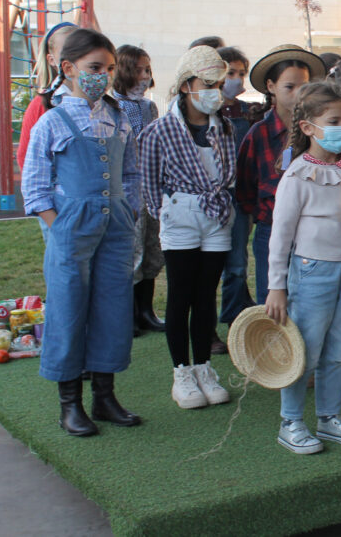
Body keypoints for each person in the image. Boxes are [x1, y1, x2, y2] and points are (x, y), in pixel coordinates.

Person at [21, 27, 141, 437]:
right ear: (68, 68)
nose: (103, 75)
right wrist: (61, 227)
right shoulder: (51, 121)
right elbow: (34, 187)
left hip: (116, 226)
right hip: (71, 228)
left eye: (108, 68)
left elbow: (131, 171)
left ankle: (104, 397)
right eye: (94, 68)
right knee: (69, 309)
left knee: (112, 306)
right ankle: (69, 403)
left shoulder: (117, 117)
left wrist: (130, 211)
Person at [266, 82, 341, 453]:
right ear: (308, 127)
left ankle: (329, 417)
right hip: (312, 272)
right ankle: (291, 422)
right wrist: (276, 286)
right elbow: (279, 238)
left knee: (337, 349)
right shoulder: (298, 176)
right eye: (334, 120)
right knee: (306, 349)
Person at [139, 46, 236, 410]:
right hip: (179, 213)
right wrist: (163, 210)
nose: (215, 90)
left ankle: (204, 367)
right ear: (185, 86)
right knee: (180, 294)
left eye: (219, 83)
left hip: (216, 215)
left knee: (206, 293)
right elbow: (147, 180)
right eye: (206, 83)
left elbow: (228, 169)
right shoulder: (159, 130)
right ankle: (181, 373)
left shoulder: (223, 127)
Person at [237, 45, 326, 306]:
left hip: (313, 228)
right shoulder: (259, 134)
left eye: (305, 86)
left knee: (309, 298)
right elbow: (245, 187)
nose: (299, 94)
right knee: (274, 299)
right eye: (290, 87)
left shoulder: (319, 131)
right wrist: (265, 213)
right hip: (271, 228)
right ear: (271, 86)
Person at [112, 45, 164, 334]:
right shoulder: (113, 105)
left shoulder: (149, 106)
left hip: (152, 186)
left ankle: (146, 311)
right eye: (140, 70)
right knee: (132, 250)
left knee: (152, 248)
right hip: (128, 188)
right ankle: (127, 314)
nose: (145, 76)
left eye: (148, 70)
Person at [216, 46, 258, 332]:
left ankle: (236, 313)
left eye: (241, 73)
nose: (236, 79)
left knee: (238, 260)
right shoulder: (207, 111)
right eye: (230, 73)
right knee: (218, 262)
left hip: (242, 195)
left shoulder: (247, 112)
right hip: (216, 195)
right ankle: (229, 316)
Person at [17, 21, 77, 170]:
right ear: (52, 60)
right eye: (67, 52)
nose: (75, 57)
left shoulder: (99, 102)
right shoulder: (42, 105)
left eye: (82, 50)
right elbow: (26, 159)